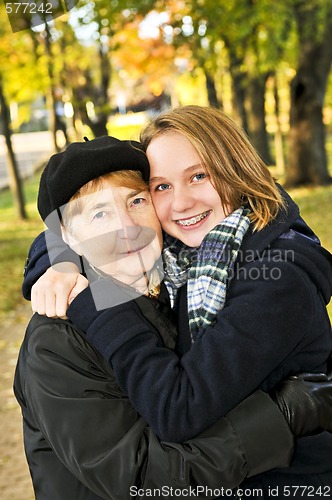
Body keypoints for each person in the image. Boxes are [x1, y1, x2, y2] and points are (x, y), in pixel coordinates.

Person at [25, 106, 332, 498]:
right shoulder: (182, 260)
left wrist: (98, 303)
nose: (182, 203)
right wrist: (59, 261)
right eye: (162, 187)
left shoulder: (273, 278)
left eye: (199, 176)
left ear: (237, 171)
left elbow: (177, 409)